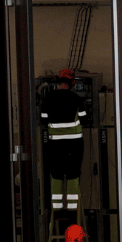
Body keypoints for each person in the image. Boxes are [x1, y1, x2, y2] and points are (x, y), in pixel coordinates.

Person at [40, 68, 86, 225]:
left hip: (55, 143)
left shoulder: (48, 98)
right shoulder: (76, 98)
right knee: (73, 173)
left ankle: (57, 209)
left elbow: (43, 118)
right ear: (71, 83)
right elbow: (85, 117)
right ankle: (73, 211)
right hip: (74, 142)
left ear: (58, 83)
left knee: (57, 173)